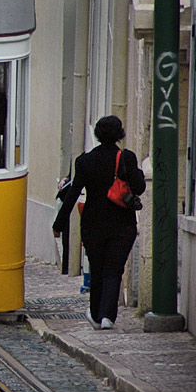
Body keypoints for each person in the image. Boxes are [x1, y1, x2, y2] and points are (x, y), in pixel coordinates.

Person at [52, 115, 146, 330]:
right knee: (114, 270)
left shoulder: (84, 161)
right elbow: (139, 187)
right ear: (119, 134)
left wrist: (59, 224)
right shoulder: (126, 158)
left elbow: (73, 193)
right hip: (122, 223)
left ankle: (95, 313)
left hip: (93, 223)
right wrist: (136, 172)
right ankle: (107, 317)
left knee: (97, 268)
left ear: (97, 134)